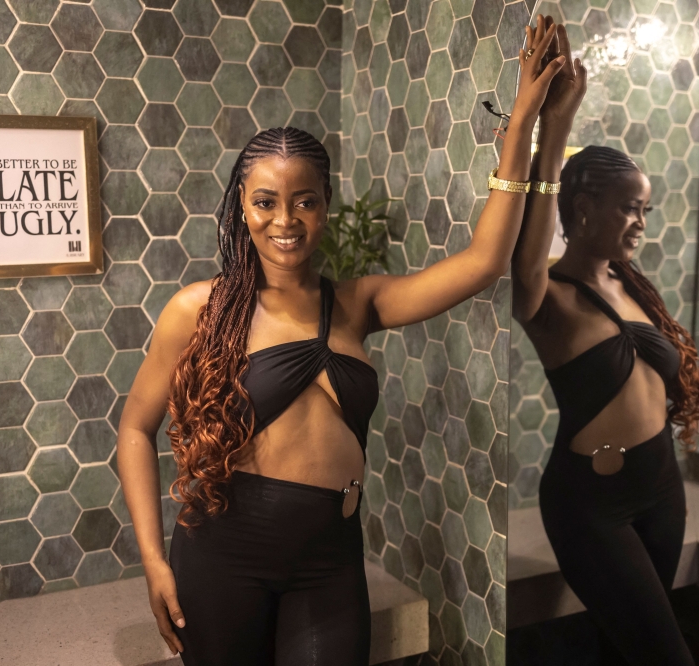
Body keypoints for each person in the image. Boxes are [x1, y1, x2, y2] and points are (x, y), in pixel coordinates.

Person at [116, 16, 566, 666]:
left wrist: (523, 125)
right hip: (224, 556)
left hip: (330, 559)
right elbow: (135, 428)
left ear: (326, 206)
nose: (285, 220)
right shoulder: (200, 310)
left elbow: (483, 263)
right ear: (241, 208)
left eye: (304, 201)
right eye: (266, 202)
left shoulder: (358, 304)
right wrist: (153, 562)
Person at [510, 16, 699, 666]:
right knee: (666, 657)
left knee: (625, 652)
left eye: (644, 210)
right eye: (629, 207)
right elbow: (524, 256)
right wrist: (557, 124)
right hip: (590, 503)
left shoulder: (631, 285)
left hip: (661, 486)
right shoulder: (545, 295)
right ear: (582, 209)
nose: (639, 224)